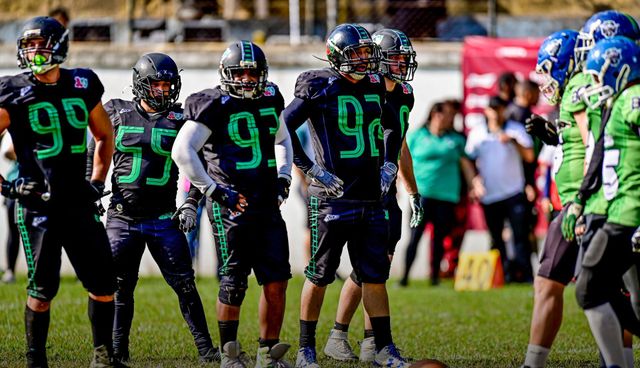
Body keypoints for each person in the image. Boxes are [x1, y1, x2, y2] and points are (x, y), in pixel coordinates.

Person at [282, 23, 407, 368]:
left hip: (369, 193)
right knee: (320, 274)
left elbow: (396, 124)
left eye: (368, 52)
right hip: (332, 195)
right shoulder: (319, 85)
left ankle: (383, 347)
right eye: (357, 53)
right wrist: (309, 167)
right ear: (337, 56)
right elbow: (281, 126)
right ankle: (306, 349)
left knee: (375, 275)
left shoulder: (376, 85)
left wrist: (389, 163)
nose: (365, 59)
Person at [0, 16, 120, 367]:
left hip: (78, 204)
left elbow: (104, 136)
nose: (34, 52)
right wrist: (8, 185)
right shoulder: (12, 90)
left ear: (60, 46)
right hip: (38, 206)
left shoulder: (82, 83)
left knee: (103, 284)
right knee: (42, 291)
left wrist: (97, 182)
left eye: (41, 44)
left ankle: (103, 356)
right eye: (29, 46)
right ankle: (36, 360)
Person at [172, 40, 294, 368]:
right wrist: (212, 190)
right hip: (231, 206)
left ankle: (267, 353)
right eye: (239, 73)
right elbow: (182, 152)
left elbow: (282, 138)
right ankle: (229, 354)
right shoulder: (212, 103)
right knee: (234, 280)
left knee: (277, 279)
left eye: (253, 73)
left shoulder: (270, 97)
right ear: (227, 73)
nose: (246, 79)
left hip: (266, 202)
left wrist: (283, 175)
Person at [91, 52, 217, 364]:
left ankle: (206, 350)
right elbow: (93, 149)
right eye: (156, 83)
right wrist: (90, 189)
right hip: (122, 216)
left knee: (186, 285)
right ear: (140, 84)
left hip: (164, 218)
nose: (163, 90)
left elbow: (197, 165)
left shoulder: (180, 118)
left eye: (167, 84)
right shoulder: (116, 113)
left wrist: (190, 201)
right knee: (120, 288)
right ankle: (116, 352)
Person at [321, 28, 424, 364]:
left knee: (377, 267)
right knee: (363, 268)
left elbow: (401, 145)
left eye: (403, 58)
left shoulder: (403, 93)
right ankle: (340, 335)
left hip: (386, 193)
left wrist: (412, 190)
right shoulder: (365, 91)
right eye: (394, 57)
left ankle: (370, 341)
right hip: (355, 192)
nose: (401, 64)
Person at [521, 29, 588, 368]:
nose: (545, 78)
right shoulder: (571, 97)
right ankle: (532, 364)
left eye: (550, 68)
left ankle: (617, 360)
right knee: (547, 281)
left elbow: (598, 147)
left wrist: (584, 200)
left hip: (591, 204)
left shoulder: (585, 92)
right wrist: (553, 136)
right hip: (572, 205)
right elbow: (578, 144)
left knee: (606, 294)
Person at [572, 36, 640, 368]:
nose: (595, 84)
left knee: (590, 287)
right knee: (600, 288)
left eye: (599, 76)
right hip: (616, 209)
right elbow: (599, 155)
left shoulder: (634, 98)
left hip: (630, 212)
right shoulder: (619, 101)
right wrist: (580, 200)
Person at [400, 101, 475, 287]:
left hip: (446, 196)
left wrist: (474, 185)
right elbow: (402, 161)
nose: (450, 119)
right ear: (435, 114)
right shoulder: (417, 136)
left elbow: (466, 165)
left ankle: (435, 277)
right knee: (415, 237)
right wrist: (395, 185)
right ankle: (405, 277)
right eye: (446, 115)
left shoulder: (456, 140)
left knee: (440, 239)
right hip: (421, 195)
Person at [465, 96, 535, 283]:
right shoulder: (477, 133)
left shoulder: (516, 129)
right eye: (492, 109)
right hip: (490, 194)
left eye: (498, 109)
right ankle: (503, 276)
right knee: (496, 238)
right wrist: (474, 184)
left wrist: (513, 142)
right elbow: (468, 161)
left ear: (504, 110)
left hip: (514, 192)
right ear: (486, 111)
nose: (495, 113)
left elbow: (529, 156)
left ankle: (526, 275)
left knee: (520, 237)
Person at [1, 133, 19, 284]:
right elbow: (7, 151)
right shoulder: (14, 116)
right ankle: (10, 271)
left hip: (45, 185)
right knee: (13, 230)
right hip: (16, 182)